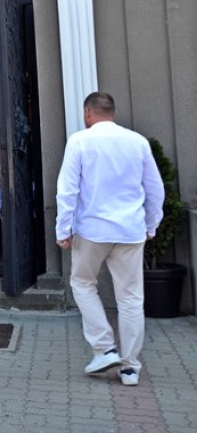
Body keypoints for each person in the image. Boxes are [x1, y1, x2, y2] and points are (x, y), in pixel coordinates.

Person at [55, 91, 165, 386]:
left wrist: (63, 229)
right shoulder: (137, 142)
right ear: (112, 113)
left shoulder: (79, 141)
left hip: (92, 230)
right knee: (130, 298)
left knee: (82, 283)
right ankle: (130, 367)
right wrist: (151, 225)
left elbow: (67, 190)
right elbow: (155, 189)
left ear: (88, 113)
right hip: (130, 230)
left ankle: (104, 348)